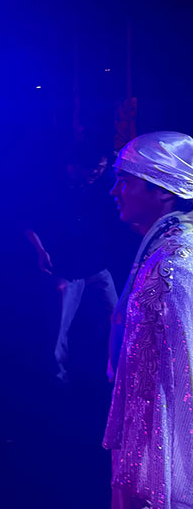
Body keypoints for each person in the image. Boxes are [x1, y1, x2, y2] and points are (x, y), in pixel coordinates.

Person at [103, 131, 193, 509]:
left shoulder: (176, 261)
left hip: (160, 442)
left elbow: (184, 374)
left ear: (163, 190)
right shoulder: (162, 246)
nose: (115, 192)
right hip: (144, 431)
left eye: (126, 182)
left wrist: (166, 469)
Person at [25, 142, 120, 383]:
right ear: (76, 166)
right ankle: (57, 377)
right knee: (61, 327)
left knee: (117, 317)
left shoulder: (101, 186)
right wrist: (40, 251)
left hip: (96, 266)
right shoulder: (53, 188)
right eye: (94, 167)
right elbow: (29, 222)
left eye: (102, 167)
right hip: (67, 268)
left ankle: (111, 370)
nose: (98, 172)